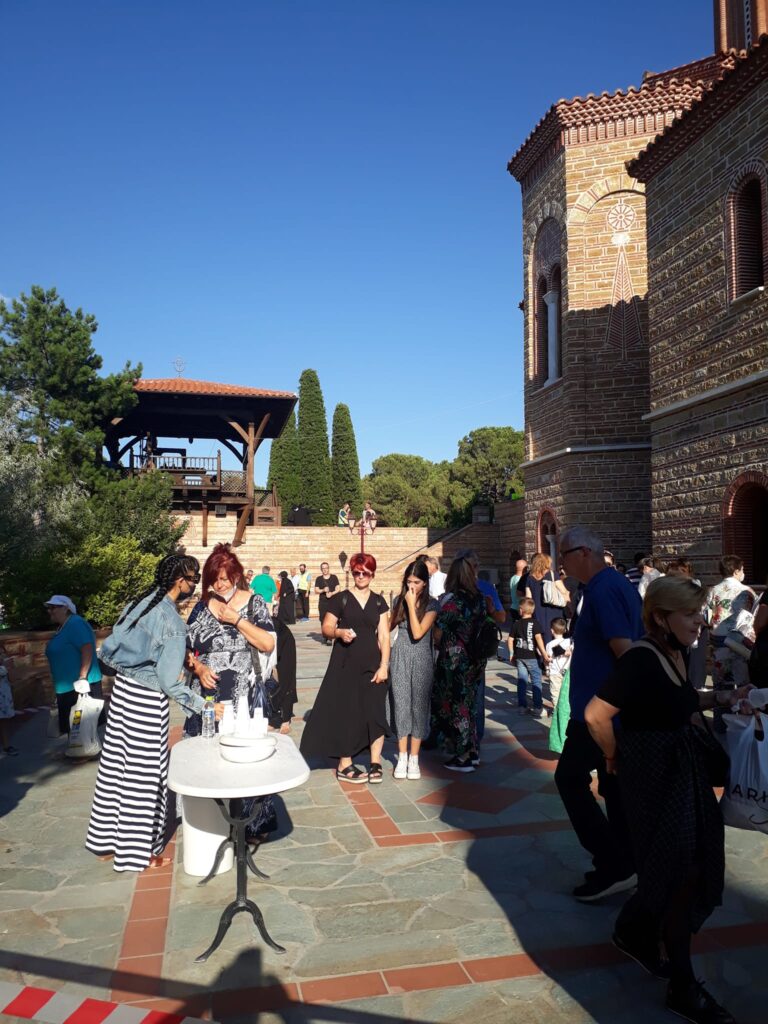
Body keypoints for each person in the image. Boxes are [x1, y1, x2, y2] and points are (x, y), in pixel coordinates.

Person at [585, 576, 752, 1024]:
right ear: (661, 618)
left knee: (683, 867)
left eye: (700, 612)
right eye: (691, 613)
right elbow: (596, 715)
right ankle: (682, 984)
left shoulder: (676, 651)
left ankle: (632, 929)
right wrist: (614, 756)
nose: (701, 621)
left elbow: (680, 701)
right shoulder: (641, 658)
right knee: (681, 873)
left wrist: (726, 696)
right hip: (655, 781)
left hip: (681, 778)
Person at [85, 555, 222, 872]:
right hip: (145, 701)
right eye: (193, 579)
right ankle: (136, 853)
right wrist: (204, 706)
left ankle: (105, 842)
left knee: (115, 769)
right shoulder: (172, 622)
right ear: (180, 581)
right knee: (144, 777)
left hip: (122, 693)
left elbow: (110, 649)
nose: (194, 584)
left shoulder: (141, 603)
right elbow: (169, 682)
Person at [554, 526, 641, 902]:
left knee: (569, 779)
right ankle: (627, 862)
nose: (560, 563)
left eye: (564, 554)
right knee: (614, 788)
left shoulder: (604, 590)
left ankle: (614, 863)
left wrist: (611, 710)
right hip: (609, 710)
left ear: (584, 552)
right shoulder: (610, 585)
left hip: (600, 712)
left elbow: (626, 652)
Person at [184, 545, 279, 840]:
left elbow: (268, 643)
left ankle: (253, 824)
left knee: (246, 759)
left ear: (236, 576)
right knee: (209, 760)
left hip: (243, 697)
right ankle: (212, 824)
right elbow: (185, 650)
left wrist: (235, 619)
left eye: (224, 579)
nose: (219, 585)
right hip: (209, 698)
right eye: (214, 580)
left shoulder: (254, 603)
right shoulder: (201, 608)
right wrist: (198, 668)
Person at [300, 552, 390, 784]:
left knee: (376, 713)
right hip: (345, 664)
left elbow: (384, 636)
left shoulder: (379, 602)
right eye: (357, 572)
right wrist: (339, 632)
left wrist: (384, 666)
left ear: (372, 574)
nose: (361, 576)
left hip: (373, 665)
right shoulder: (341, 599)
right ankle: (345, 763)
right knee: (348, 713)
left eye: (365, 573)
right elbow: (326, 627)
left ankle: (375, 761)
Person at [430, 554, 487, 772]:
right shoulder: (480, 599)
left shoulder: (454, 602)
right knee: (470, 704)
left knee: (457, 705)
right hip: (476, 659)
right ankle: (472, 751)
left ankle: (462, 756)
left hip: (455, 660)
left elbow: (438, 631)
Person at [388, 560, 439, 781]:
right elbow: (388, 626)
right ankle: (401, 756)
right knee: (400, 705)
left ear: (425, 583)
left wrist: (410, 605)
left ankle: (414, 758)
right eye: (409, 581)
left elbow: (418, 633)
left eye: (417, 582)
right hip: (400, 655)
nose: (412, 586)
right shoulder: (398, 601)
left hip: (421, 658)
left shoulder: (432, 604)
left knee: (418, 707)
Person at [44, 595, 104, 736]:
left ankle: (85, 749)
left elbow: (87, 647)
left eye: (53, 607)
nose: (49, 611)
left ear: (65, 609)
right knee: (74, 728)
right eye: (49, 608)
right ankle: (79, 748)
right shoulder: (63, 627)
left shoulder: (75, 623)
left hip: (79, 685)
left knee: (80, 727)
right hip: (67, 686)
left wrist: (82, 677)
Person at [706, 555, 755, 697]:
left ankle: (721, 710)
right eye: (742, 570)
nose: (743, 573)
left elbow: (707, 617)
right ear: (736, 571)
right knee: (743, 687)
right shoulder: (747, 591)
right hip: (740, 644)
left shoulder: (713, 590)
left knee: (721, 689)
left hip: (718, 643)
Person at [508, 597, 549, 717]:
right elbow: (538, 639)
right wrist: (544, 654)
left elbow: (510, 640)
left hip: (520, 656)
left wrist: (511, 653)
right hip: (532, 657)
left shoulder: (516, 624)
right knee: (536, 681)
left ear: (521, 610)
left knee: (522, 681)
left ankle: (522, 707)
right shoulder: (535, 623)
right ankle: (537, 707)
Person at [525, 553, 570, 646]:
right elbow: (564, 591)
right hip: (554, 610)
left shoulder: (529, 578)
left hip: (537, 612)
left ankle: (543, 654)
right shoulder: (552, 574)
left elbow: (528, 598)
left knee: (541, 637)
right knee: (556, 635)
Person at [545, 616, 572, 713]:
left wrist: (547, 669)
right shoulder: (569, 641)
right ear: (565, 630)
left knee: (555, 693)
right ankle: (566, 711)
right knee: (567, 693)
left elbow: (548, 659)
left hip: (555, 672)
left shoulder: (549, 644)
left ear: (552, 631)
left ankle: (557, 711)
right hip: (567, 671)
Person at [314, 562, 340, 644]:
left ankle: (330, 637)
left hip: (333, 601)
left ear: (328, 568)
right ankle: (325, 635)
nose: (325, 570)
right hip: (323, 602)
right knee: (323, 619)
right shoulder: (319, 579)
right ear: (321, 569)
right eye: (323, 568)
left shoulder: (334, 577)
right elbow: (316, 590)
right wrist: (323, 590)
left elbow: (338, 588)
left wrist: (332, 593)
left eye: (326, 568)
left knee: (332, 619)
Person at [0, 644, 19, 757]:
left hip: (4, 698)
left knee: (4, 721)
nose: (2, 656)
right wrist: (4, 668)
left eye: (3, 653)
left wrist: (10, 668)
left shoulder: (5, 666)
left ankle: (7, 746)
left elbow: (12, 679)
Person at [509, 557, 527, 623]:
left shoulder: (513, 578)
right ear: (524, 568)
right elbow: (520, 593)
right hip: (519, 608)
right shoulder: (521, 580)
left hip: (513, 606)